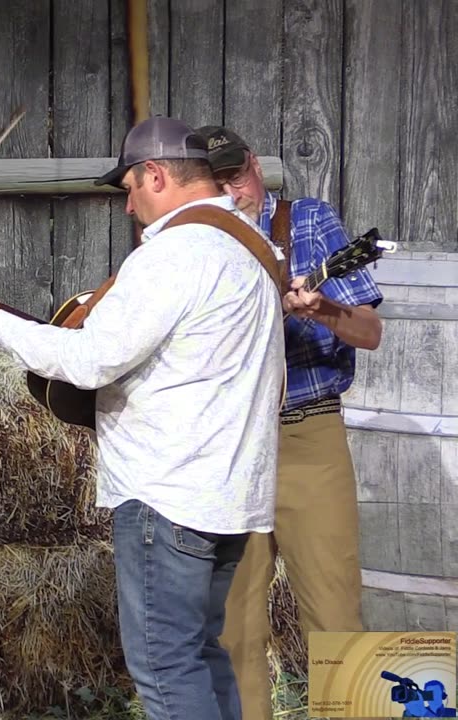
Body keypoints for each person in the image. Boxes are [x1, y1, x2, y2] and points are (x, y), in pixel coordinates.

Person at [0, 116, 285, 720]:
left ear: (155, 174)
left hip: (168, 495)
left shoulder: (175, 254)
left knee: (165, 669)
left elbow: (91, 360)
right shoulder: (250, 246)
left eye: (129, 186)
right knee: (201, 656)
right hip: (230, 496)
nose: (128, 204)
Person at [196, 125, 384, 720]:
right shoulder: (194, 239)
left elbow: (370, 333)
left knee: (334, 617)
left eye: (237, 175)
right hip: (227, 446)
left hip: (307, 433)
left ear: (255, 165)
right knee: (234, 628)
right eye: (217, 183)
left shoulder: (307, 223)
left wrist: (322, 308)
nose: (234, 191)